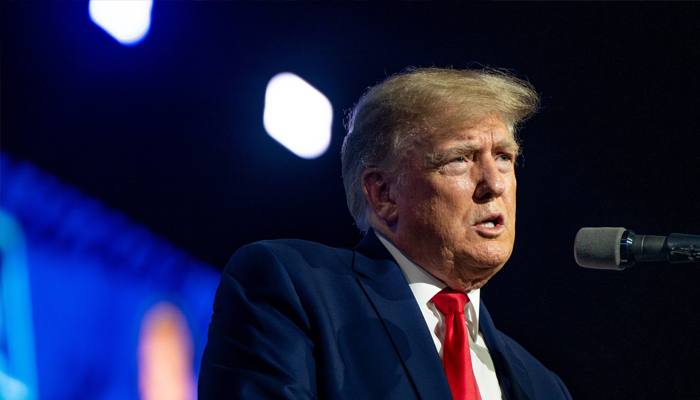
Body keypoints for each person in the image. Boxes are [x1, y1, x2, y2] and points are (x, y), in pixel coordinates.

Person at [198, 67, 572, 400]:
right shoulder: (292, 287)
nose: (494, 183)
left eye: (504, 157)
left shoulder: (545, 386)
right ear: (384, 194)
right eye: (460, 158)